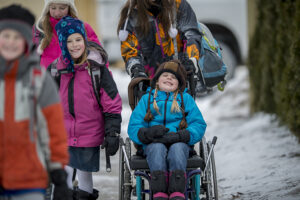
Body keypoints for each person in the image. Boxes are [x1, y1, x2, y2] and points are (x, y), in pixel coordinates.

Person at [0, 4, 71, 200]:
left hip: (28, 178)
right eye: (6, 36)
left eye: (17, 37)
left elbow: (53, 129)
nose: (10, 42)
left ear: (26, 42)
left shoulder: (40, 80)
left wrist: (57, 170)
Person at [53, 16, 122, 200]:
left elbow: (112, 102)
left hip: (89, 132)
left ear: (85, 40)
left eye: (78, 39)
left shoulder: (96, 70)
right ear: (62, 43)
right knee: (63, 177)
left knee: (84, 176)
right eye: (69, 41)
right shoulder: (55, 70)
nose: (75, 45)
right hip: (62, 133)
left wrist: (112, 132)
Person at [127, 60, 207, 200]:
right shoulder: (147, 99)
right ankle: (159, 192)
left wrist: (184, 135)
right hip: (153, 142)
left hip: (179, 141)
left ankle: (177, 192)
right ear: (157, 81)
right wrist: (146, 133)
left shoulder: (185, 99)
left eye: (174, 77)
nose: (169, 78)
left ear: (179, 84)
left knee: (177, 149)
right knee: (157, 149)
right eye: (165, 75)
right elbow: (134, 125)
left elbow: (198, 124)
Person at [117, 0, 202, 80]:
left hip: (179, 75)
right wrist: (135, 68)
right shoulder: (131, 13)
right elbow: (129, 51)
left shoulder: (177, 4)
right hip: (149, 80)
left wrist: (191, 60)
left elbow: (191, 34)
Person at [33, 0, 102, 69]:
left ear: (70, 7)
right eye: (53, 8)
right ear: (47, 8)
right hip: (46, 76)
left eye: (62, 8)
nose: (57, 13)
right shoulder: (40, 28)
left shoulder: (81, 27)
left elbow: (99, 55)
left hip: (74, 76)